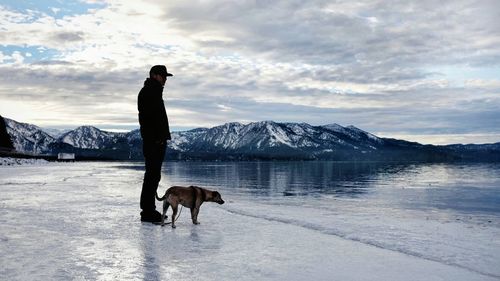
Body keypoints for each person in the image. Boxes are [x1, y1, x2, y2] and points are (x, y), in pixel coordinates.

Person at [137, 65, 173, 223]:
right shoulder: (149, 92)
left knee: (153, 176)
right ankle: (148, 212)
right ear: (154, 75)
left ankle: (148, 210)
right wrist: (157, 138)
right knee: (152, 176)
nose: (165, 79)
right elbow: (148, 119)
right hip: (154, 142)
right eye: (163, 76)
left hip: (155, 140)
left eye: (166, 76)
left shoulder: (154, 91)